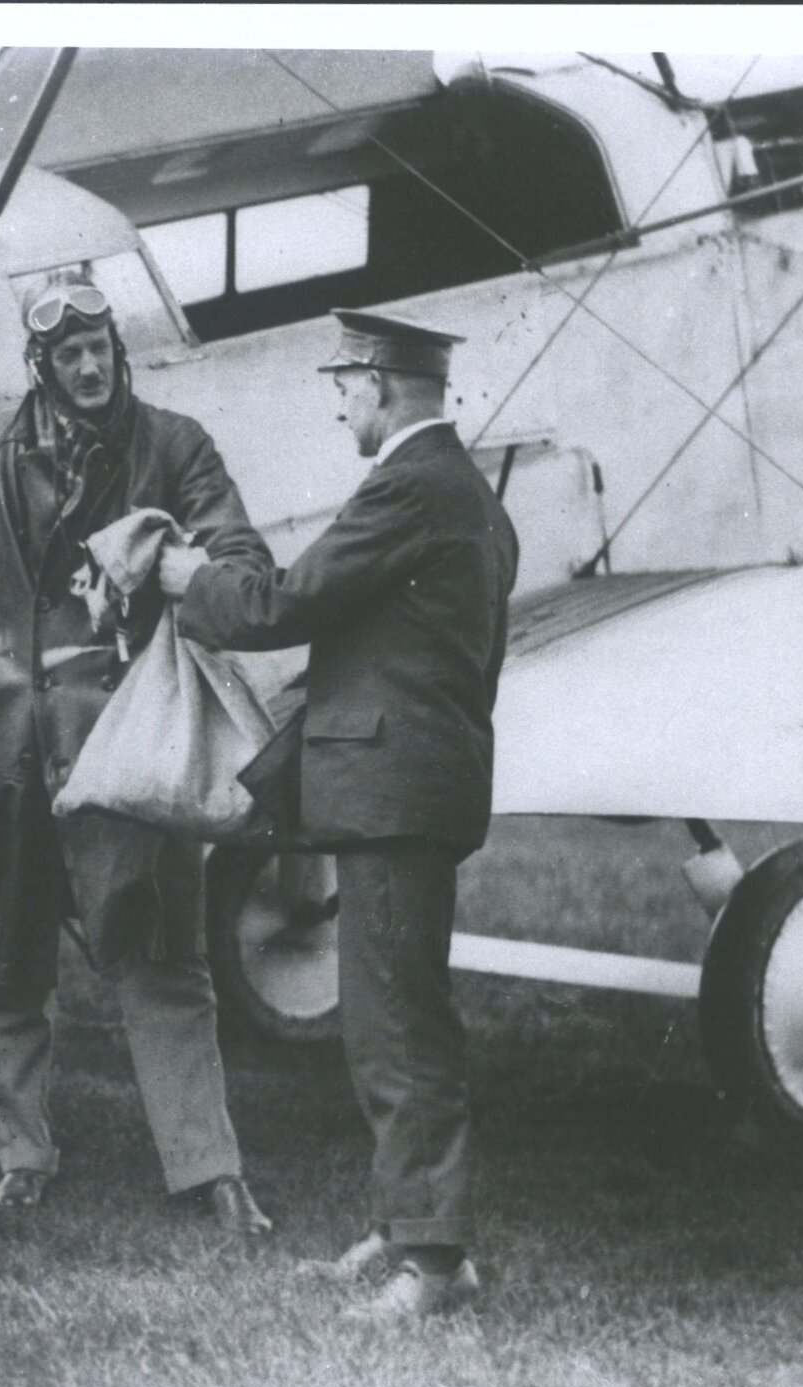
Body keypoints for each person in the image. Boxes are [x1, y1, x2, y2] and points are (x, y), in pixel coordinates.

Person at [160, 308, 520, 1320]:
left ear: (381, 385)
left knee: (397, 1021)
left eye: (343, 382)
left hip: (392, 792)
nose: (336, 400)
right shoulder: (468, 494)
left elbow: (282, 603)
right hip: (414, 784)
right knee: (388, 1014)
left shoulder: (409, 484)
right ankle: (412, 1229)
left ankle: (434, 1263)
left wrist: (191, 578)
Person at [0, 275, 274, 1232]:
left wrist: (177, 558)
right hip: (7, 742)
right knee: (9, 962)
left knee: (161, 957)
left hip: (130, 744)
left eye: (101, 345)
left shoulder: (175, 444)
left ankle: (208, 1168)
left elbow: (240, 561)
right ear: (39, 364)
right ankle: (22, 1155)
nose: (90, 364)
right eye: (68, 353)